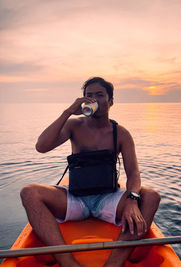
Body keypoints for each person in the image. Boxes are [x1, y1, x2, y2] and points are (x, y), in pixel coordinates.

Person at [20, 77, 161, 267]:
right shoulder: (73, 125)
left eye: (99, 95)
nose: (92, 99)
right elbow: (41, 147)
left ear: (110, 101)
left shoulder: (121, 133)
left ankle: (114, 263)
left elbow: (134, 173)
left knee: (151, 196)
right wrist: (67, 112)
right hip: (75, 198)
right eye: (88, 95)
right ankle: (67, 262)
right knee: (29, 192)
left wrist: (132, 200)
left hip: (107, 199)